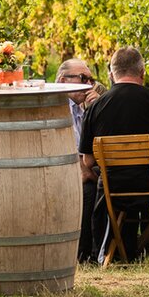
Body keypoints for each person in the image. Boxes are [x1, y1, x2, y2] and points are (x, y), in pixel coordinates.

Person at [79, 46, 149, 261]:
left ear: (112, 74)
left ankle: (116, 254)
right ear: (143, 73)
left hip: (113, 193)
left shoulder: (95, 107)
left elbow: (88, 160)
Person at [55, 58, 98, 263]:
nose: (89, 85)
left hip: (84, 170)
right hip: (61, 173)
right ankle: (82, 255)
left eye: (90, 79)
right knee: (90, 190)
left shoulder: (83, 109)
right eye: (83, 78)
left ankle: (104, 251)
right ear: (63, 80)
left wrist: (95, 110)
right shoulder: (55, 108)